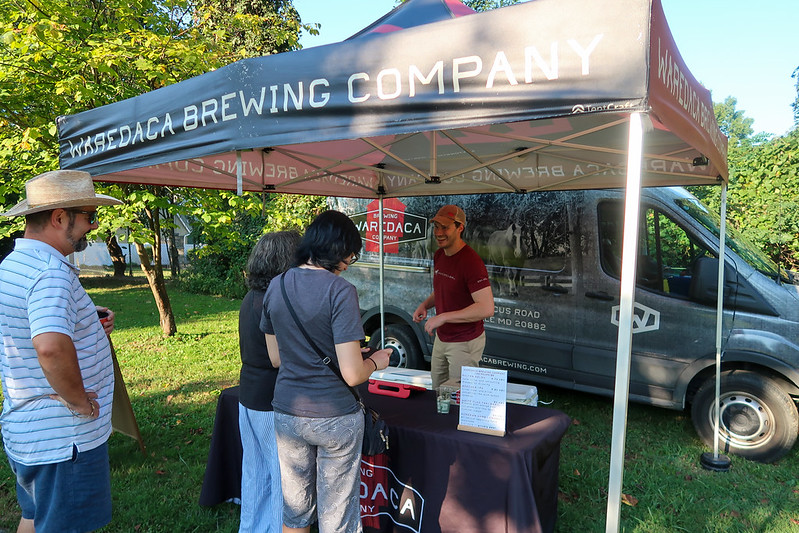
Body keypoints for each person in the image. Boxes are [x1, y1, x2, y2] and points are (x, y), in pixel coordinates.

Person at [0, 170, 122, 533]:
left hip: (29, 431)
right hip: (64, 439)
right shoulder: (49, 271)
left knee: (35, 517)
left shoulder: (14, 265)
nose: (94, 225)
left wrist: (85, 320)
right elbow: (50, 348)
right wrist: (80, 402)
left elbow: (28, 328)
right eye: (89, 216)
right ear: (59, 218)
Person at [261, 210, 391, 533]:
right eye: (351, 253)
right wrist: (377, 361)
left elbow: (276, 358)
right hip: (336, 417)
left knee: (295, 513)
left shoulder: (276, 286)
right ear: (337, 249)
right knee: (338, 520)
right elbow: (352, 375)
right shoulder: (340, 291)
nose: (350, 260)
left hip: (289, 413)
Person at [238, 230, 301, 533]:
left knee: (255, 473)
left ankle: (251, 527)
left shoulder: (252, 295)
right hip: (270, 400)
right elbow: (279, 358)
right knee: (281, 478)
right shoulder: (274, 300)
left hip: (248, 394)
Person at [412, 204, 494, 391]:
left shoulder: (471, 262)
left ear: (460, 228)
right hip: (443, 338)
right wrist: (425, 304)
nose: (439, 232)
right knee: (437, 393)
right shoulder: (440, 255)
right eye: (436, 227)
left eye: (445, 227)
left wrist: (443, 317)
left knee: (459, 398)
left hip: (464, 342)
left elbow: (486, 308)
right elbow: (444, 289)